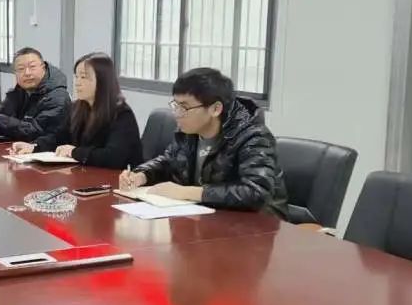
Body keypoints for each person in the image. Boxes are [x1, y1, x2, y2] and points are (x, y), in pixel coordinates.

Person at [118, 67, 288, 217]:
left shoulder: (253, 137)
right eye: (175, 105)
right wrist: (141, 175)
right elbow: (169, 161)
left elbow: (255, 192)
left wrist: (187, 192)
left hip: (257, 226)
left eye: (184, 107)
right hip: (208, 217)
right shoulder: (188, 132)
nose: (177, 114)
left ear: (215, 109)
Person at [10, 53, 142, 168]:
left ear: (103, 81)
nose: (77, 83)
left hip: (116, 180)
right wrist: (34, 147)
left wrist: (74, 152)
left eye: (83, 77)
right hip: (86, 175)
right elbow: (59, 137)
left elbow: (113, 157)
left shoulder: (121, 114)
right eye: (77, 77)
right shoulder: (77, 107)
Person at [0, 47, 69, 142]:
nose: (27, 73)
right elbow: (1, 112)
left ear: (43, 67)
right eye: (21, 69)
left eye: (32, 67)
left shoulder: (57, 96)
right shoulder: (20, 91)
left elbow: (37, 131)